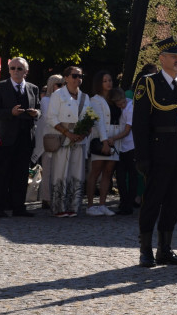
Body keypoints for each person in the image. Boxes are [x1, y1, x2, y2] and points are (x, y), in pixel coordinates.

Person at [132, 37, 177, 266]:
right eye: (174, 56)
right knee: (152, 202)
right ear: (162, 59)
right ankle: (145, 249)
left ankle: (165, 248)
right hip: (159, 153)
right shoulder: (149, 83)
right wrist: (142, 156)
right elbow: (140, 124)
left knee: (173, 203)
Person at [0, 56, 41, 218]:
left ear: (26, 71)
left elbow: (38, 109)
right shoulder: (0, 87)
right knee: (1, 173)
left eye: (19, 68)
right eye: (13, 68)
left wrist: (35, 113)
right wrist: (10, 113)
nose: (16, 71)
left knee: (21, 173)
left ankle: (19, 206)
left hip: (26, 137)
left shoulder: (33, 88)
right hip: (6, 137)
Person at [46, 66, 89, 218]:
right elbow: (51, 117)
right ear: (66, 78)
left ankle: (74, 206)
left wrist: (84, 132)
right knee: (60, 171)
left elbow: (89, 118)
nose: (78, 78)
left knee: (77, 172)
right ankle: (59, 207)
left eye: (80, 75)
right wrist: (67, 133)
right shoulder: (58, 95)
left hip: (79, 139)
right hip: (63, 137)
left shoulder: (85, 97)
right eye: (75, 75)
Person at [85, 70, 119, 216]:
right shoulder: (95, 100)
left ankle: (103, 204)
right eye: (105, 81)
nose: (108, 83)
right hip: (101, 138)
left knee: (108, 173)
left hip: (114, 137)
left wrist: (115, 139)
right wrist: (105, 142)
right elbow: (99, 123)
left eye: (110, 80)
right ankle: (91, 205)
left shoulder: (115, 98)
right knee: (96, 171)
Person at [32, 74, 64, 207]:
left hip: (61, 137)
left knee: (59, 170)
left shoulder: (63, 98)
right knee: (48, 169)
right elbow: (48, 119)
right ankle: (47, 197)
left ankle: (57, 196)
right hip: (49, 138)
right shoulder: (46, 100)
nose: (63, 87)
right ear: (53, 85)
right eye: (60, 85)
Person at [112, 87, 137, 215]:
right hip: (122, 146)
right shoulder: (122, 108)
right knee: (120, 176)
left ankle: (129, 204)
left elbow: (127, 130)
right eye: (119, 104)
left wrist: (113, 138)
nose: (122, 106)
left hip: (131, 145)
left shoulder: (130, 107)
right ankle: (123, 201)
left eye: (122, 103)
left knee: (132, 176)